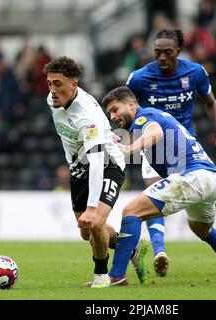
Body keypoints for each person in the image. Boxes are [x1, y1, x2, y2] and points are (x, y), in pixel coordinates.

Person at [102, 86, 216, 285]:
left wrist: (130, 149)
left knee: (131, 211)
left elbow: (155, 133)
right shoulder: (151, 116)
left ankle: (116, 276)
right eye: (109, 113)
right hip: (211, 179)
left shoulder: (143, 117)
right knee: (201, 228)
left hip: (192, 177)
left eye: (115, 109)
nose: (113, 116)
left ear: (131, 105)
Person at [126, 29, 216, 278]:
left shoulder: (195, 72)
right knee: (153, 195)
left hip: (187, 148)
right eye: (157, 52)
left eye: (167, 52)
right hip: (154, 146)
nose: (162, 57)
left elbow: (211, 103)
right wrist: (127, 143)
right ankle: (160, 252)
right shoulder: (140, 78)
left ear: (178, 50)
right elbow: (125, 108)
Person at [43, 57, 147, 288]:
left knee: (95, 223)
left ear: (74, 84)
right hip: (79, 168)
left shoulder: (87, 116)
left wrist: (92, 208)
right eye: (50, 83)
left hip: (108, 164)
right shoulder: (53, 100)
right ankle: (130, 246)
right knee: (85, 232)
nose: (52, 90)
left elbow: (98, 161)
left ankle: (102, 277)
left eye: (58, 83)